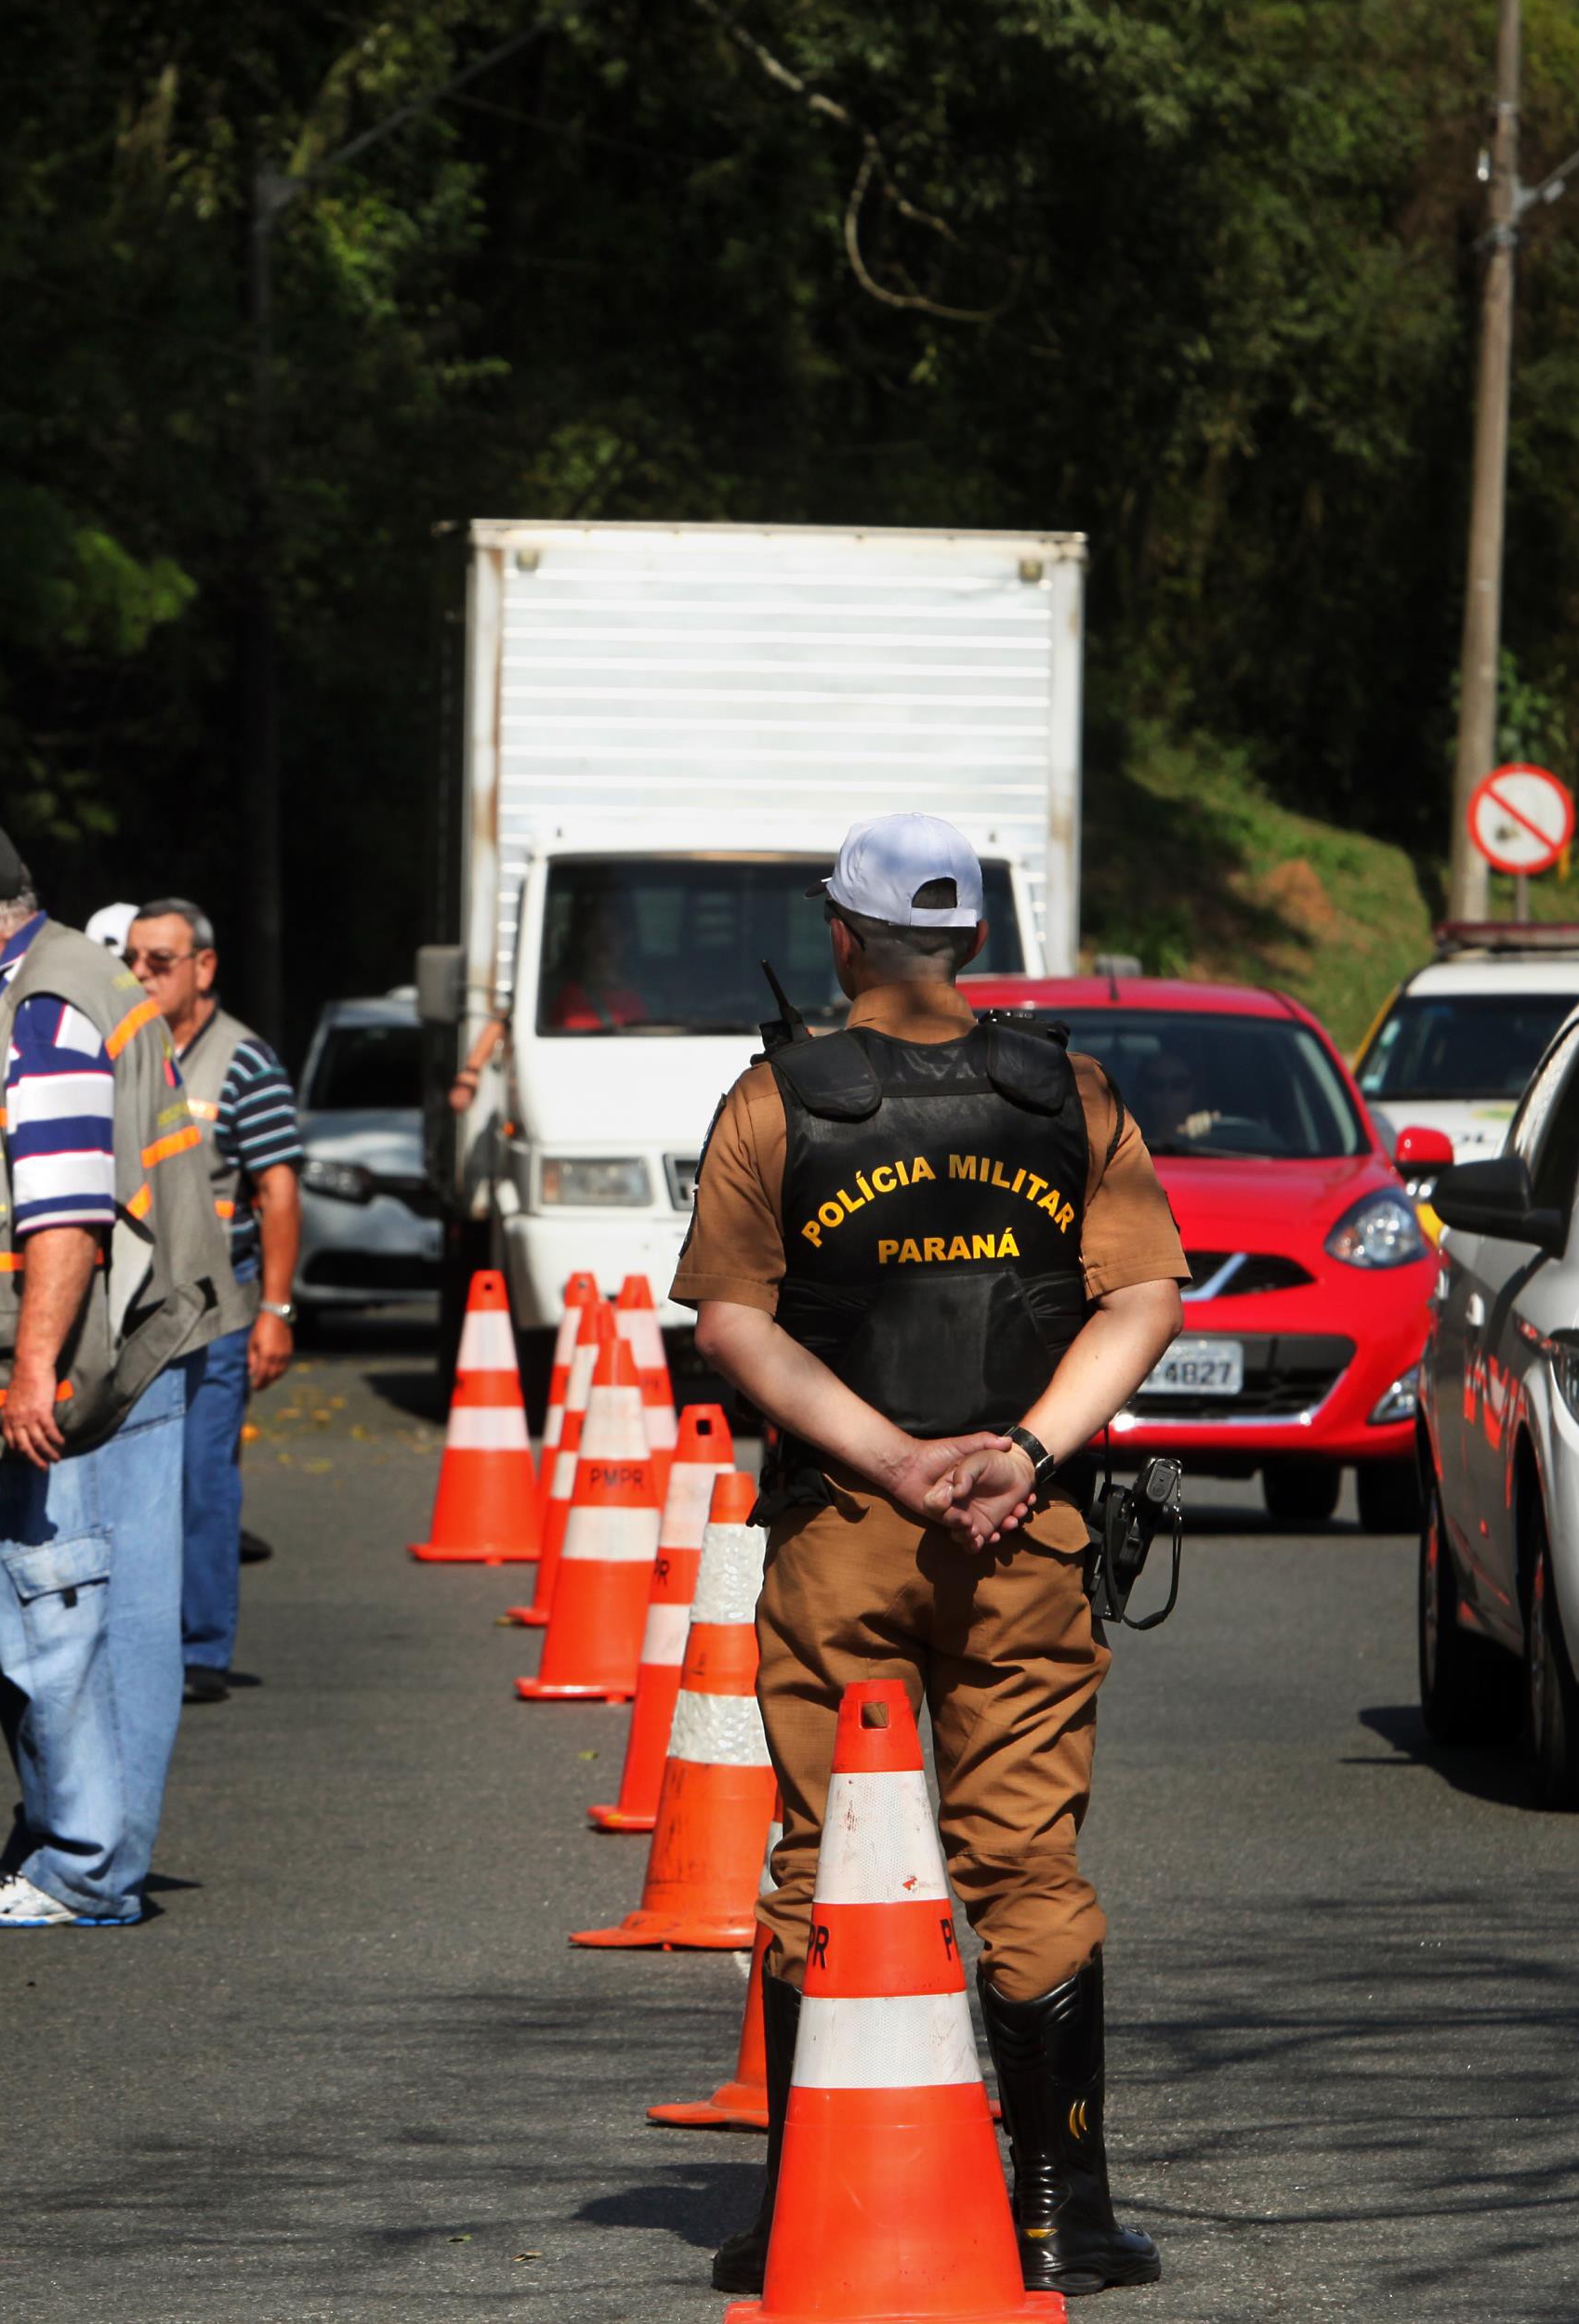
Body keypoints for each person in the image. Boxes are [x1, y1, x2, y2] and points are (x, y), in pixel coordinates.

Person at [672, 812, 1188, 2300]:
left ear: (843, 936)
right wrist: (1019, 1455)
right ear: (969, 942)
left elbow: (733, 1325)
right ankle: (1057, 2215)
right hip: (1023, 1532)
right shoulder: (1069, 1093)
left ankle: (803, 2208)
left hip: (843, 1530)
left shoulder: (775, 1104)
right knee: (1025, 1861)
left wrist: (892, 1461)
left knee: (814, 1858)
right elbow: (1142, 1299)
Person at [0, 815, 230, 1929]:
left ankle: (83, 1867)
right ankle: (73, 1843)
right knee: (81, 1607)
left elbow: (64, 1213)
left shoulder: (47, 1005)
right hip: (68, 1370)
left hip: (64, 1380)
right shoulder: (39, 991)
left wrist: (30, 1373)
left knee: (68, 1604)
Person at [120, 898, 305, 1707]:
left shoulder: (243, 1062)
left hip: (217, 1312)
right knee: (128, 1479)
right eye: (131, 958)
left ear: (203, 967)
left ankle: (201, 1648)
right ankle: (138, 1637)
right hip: (129, 1310)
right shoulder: (120, 1052)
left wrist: (276, 1309)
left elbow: (277, 1189)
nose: (140, 974)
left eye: (158, 960)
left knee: (201, 1478)